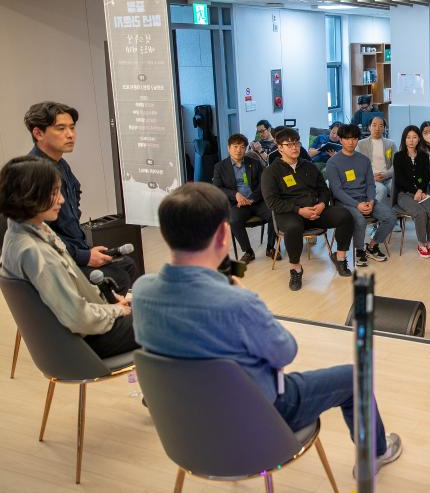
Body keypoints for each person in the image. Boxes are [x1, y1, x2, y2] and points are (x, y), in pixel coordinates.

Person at [131, 183, 403, 472]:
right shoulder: (237, 303)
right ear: (223, 234)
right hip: (255, 420)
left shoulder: (142, 291)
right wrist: (243, 294)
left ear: (165, 234)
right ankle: (376, 453)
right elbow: (285, 352)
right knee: (353, 378)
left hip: (185, 428)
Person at [0, 156, 138, 358]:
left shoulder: (18, 233)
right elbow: (78, 318)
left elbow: (72, 292)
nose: (62, 200)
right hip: (87, 342)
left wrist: (105, 299)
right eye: (54, 193)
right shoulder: (37, 253)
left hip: (67, 337)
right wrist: (115, 311)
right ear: (31, 196)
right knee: (167, 319)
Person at [24, 101, 139, 291]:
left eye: (72, 127)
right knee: (118, 276)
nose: (70, 134)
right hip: (56, 262)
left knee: (126, 264)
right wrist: (84, 256)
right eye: (61, 128)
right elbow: (42, 235)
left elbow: (73, 201)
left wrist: (86, 251)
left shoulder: (60, 164)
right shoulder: (35, 173)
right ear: (38, 133)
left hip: (73, 249)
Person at [262, 128, 354, 288]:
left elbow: (324, 190)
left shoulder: (309, 166)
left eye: (297, 143)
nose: (294, 147)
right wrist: (299, 210)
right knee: (293, 227)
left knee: (345, 215)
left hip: (315, 210)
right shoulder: (271, 172)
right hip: (290, 213)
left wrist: (322, 204)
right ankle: (296, 269)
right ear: (280, 148)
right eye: (289, 144)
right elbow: (272, 201)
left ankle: (340, 258)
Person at [326, 124, 395, 268]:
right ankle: (359, 250)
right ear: (340, 140)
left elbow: (370, 184)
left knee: (390, 217)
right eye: (347, 139)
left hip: (366, 199)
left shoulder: (364, 160)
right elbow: (337, 191)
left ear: (358, 139)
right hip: (344, 202)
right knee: (360, 221)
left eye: (354, 138)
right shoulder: (333, 162)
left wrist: (371, 200)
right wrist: (357, 205)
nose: (351, 142)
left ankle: (372, 246)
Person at [212, 133, 278, 263]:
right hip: (238, 204)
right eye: (235, 146)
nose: (239, 150)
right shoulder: (220, 167)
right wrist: (235, 195)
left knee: (274, 213)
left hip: (256, 201)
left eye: (242, 147)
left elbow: (263, 184)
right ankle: (248, 251)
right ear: (228, 148)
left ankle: (270, 247)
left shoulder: (254, 163)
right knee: (233, 219)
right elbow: (217, 188)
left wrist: (252, 198)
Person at [392, 125, 430, 259]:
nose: (411, 140)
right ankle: (421, 244)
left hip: (422, 192)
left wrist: (420, 190)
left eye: (414, 137)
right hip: (404, 194)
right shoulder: (398, 156)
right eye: (408, 137)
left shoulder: (424, 156)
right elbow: (400, 180)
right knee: (420, 213)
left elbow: (425, 177)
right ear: (404, 139)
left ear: (419, 139)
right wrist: (415, 191)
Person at [355, 116, 396, 202]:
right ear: (369, 127)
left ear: (384, 128)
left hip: (388, 177)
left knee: (397, 187)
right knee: (382, 190)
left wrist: (386, 175)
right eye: (374, 125)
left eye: (381, 126)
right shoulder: (361, 144)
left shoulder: (391, 144)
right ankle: (374, 209)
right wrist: (371, 177)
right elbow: (356, 166)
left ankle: (396, 209)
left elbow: (396, 164)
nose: (377, 128)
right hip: (371, 178)